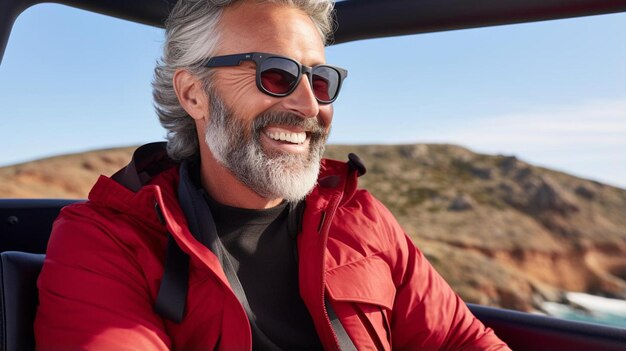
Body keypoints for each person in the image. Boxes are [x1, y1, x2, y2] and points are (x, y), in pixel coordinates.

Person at [35, 0, 510, 349]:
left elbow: (463, 342)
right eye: (276, 75)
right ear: (193, 93)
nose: (310, 106)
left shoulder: (363, 220)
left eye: (320, 81)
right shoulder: (107, 241)